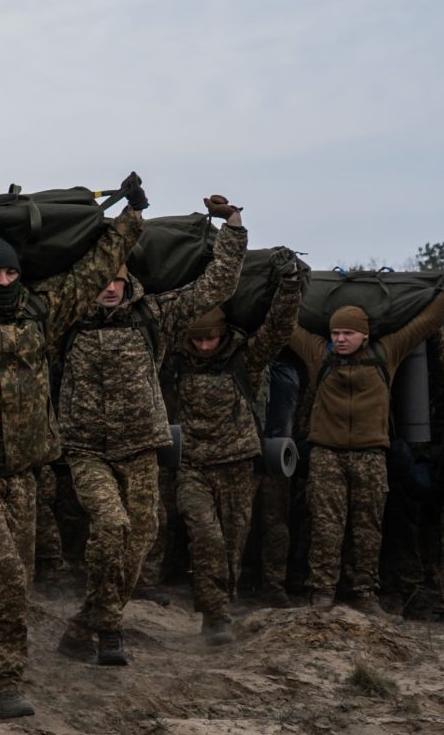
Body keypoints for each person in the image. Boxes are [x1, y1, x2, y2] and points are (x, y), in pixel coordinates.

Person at [0, 183, 146, 718]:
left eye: (11, 272)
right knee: (4, 576)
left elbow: (94, 269)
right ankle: (3, 681)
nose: (3, 281)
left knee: (13, 582)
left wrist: (131, 217)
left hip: (24, 475)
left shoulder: (40, 312)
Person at [55, 195, 249, 664]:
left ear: (128, 283)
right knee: (111, 527)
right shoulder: (66, 318)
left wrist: (234, 226)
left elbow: (214, 287)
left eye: (116, 281)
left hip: (141, 448)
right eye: (101, 281)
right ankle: (111, 628)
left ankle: (85, 624)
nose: (108, 289)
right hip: (87, 449)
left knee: (140, 540)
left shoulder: (153, 316)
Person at [168, 250, 304, 642]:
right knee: (205, 536)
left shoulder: (246, 358)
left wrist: (290, 286)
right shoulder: (175, 359)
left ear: (224, 334)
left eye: (212, 338)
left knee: (231, 544)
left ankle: (220, 607)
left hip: (238, 465)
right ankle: (214, 616)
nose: (206, 347)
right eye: (199, 340)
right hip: (192, 464)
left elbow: (279, 328)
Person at [285, 281, 444, 608]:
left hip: (371, 457)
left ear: (365, 335)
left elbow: (427, 322)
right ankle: (322, 594)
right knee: (326, 530)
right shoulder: (319, 355)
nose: (340, 339)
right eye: (336, 333)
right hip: (327, 456)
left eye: (348, 333)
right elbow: (286, 325)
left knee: (367, 530)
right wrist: (283, 290)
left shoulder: (387, 353)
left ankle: (364, 593)